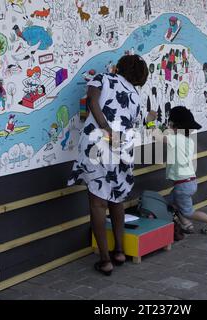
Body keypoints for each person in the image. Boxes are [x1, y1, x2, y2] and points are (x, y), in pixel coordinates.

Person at [67, 55, 155, 276]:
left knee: (97, 203)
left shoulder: (103, 79)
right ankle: (120, 252)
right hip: (122, 148)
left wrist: (105, 128)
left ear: (120, 68)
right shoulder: (135, 96)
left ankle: (105, 260)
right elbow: (134, 123)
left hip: (98, 143)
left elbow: (92, 101)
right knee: (117, 199)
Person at [153, 106, 207, 236]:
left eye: (170, 124)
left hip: (182, 185)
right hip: (189, 182)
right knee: (172, 203)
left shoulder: (175, 140)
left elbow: (157, 137)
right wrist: (167, 129)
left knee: (188, 211)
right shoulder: (187, 140)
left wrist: (149, 122)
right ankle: (187, 225)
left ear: (175, 126)